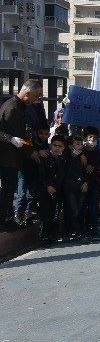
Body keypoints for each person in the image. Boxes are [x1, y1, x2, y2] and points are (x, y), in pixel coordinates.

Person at [0, 79, 44, 231]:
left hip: (13, 157)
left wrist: (31, 148)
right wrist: (30, 151)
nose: (37, 99)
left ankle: (8, 219)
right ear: (28, 93)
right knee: (7, 191)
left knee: (9, 190)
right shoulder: (13, 108)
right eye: (37, 95)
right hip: (7, 158)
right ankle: (4, 221)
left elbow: (23, 135)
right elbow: (16, 135)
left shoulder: (20, 107)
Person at [37, 134, 66, 244]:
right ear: (51, 145)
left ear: (63, 147)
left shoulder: (63, 160)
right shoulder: (44, 158)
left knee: (55, 215)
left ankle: (52, 236)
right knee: (46, 215)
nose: (57, 148)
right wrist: (47, 186)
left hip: (58, 191)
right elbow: (40, 176)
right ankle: (44, 236)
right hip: (45, 191)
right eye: (55, 145)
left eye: (60, 146)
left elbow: (62, 176)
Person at [62, 136, 89, 241]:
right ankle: (67, 232)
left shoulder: (82, 157)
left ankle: (79, 232)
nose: (80, 146)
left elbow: (85, 171)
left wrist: (86, 182)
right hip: (69, 187)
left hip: (81, 187)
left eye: (81, 143)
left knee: (80, 210)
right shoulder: (65, 157)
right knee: (72, 210)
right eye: (77, 143)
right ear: (70, 145)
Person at [83, 127, 100, 238]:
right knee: (83, 206)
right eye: (90, 137)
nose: (92, 139)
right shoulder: (80, 151)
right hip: (83, 184)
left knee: (93, 206)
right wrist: (85, 165)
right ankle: (84, 229)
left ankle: (94, 229)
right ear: (85, 138)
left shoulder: (98, 152)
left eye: (95, 138)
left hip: (95, 183)